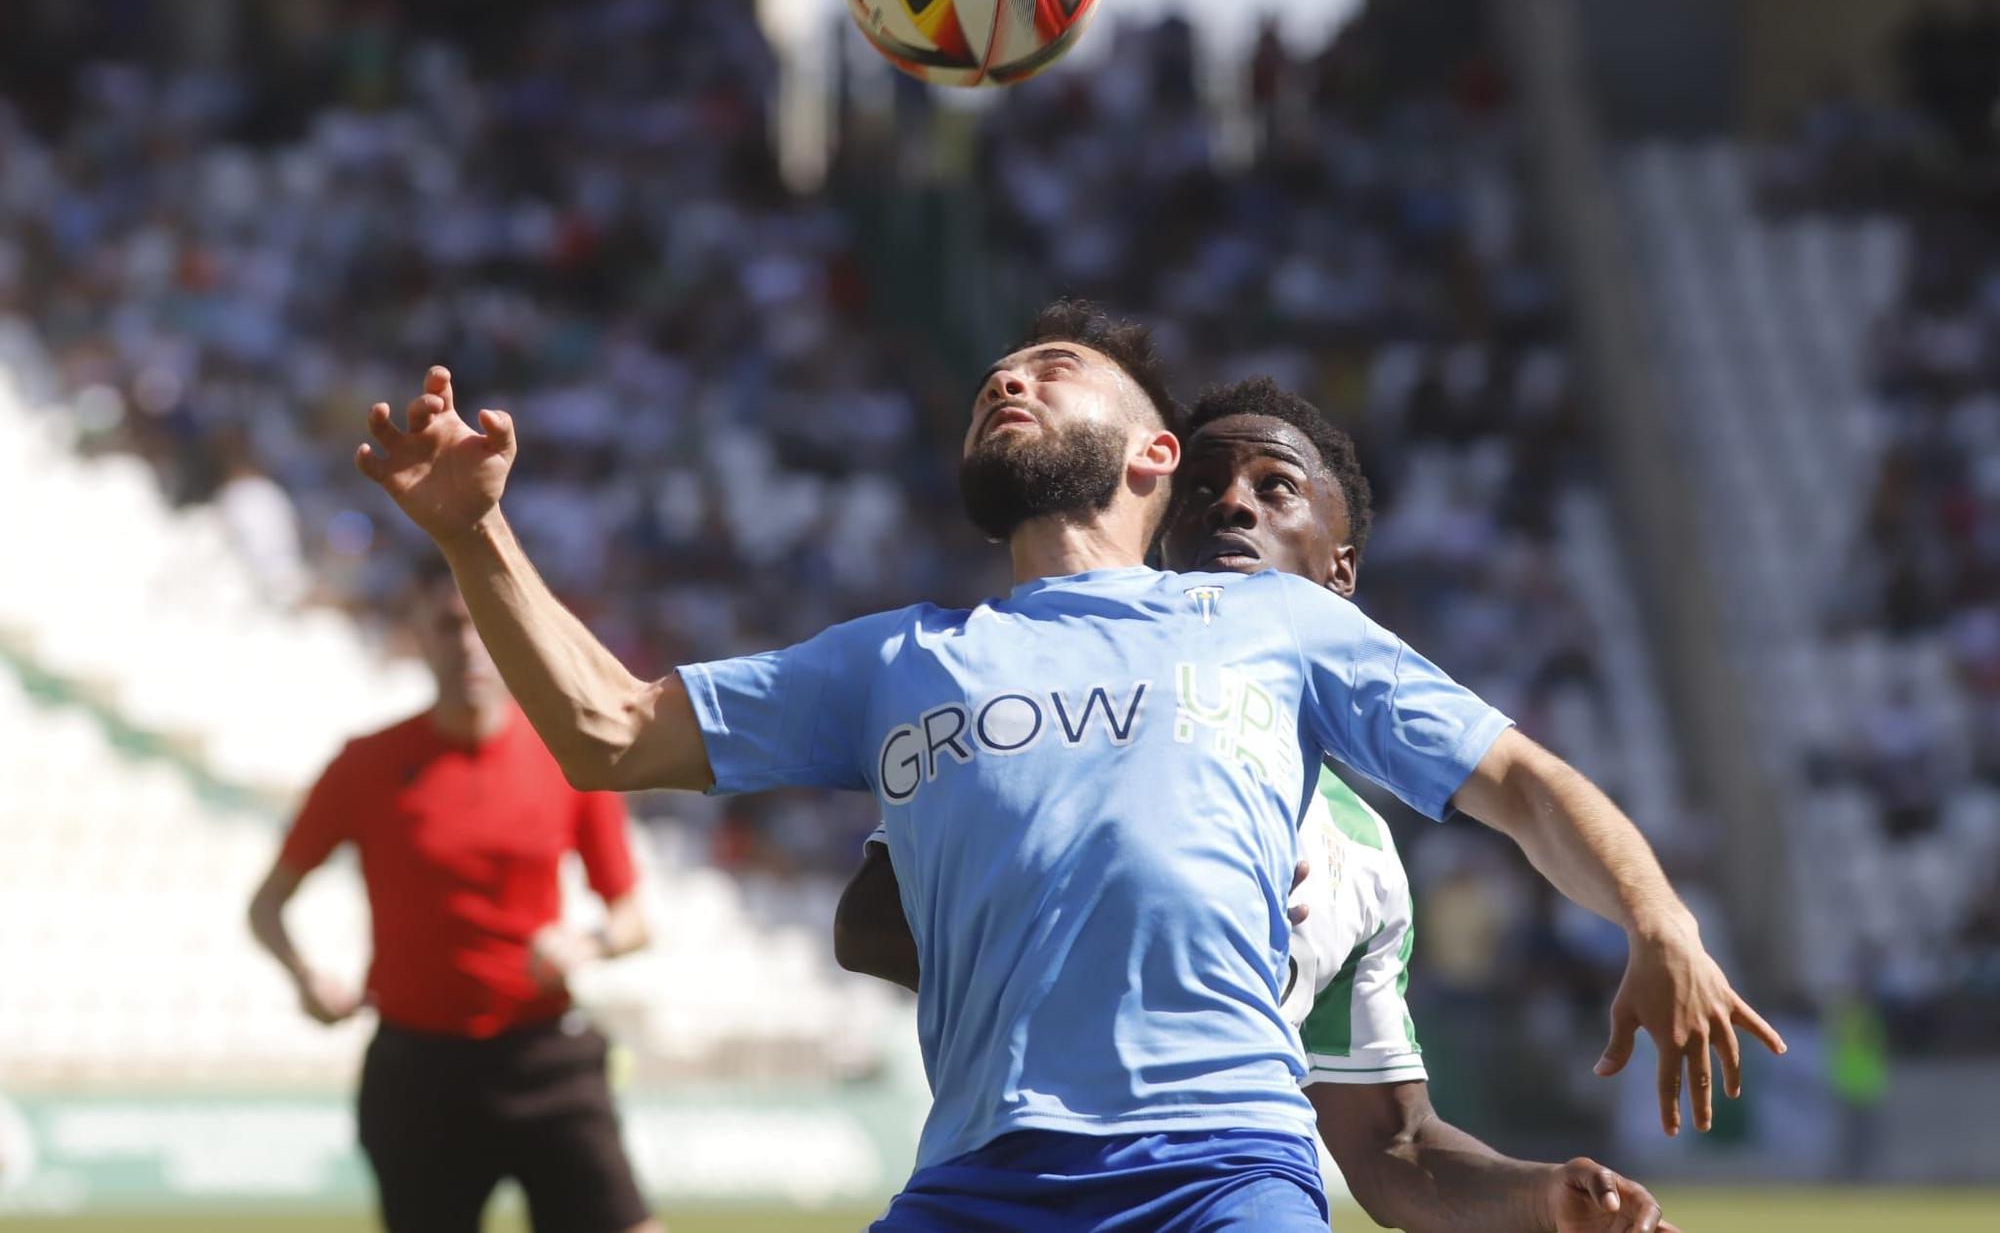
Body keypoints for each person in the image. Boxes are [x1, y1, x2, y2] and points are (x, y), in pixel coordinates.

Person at [353, 300, 1770, 1230]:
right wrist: (475, 535)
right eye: (991, 378)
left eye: (1052, 369)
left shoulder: (1278, 627)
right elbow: (609, 732)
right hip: (972, 1184)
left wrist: (1660, 919)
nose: (1009, 380)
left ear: (1154, 451)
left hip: (1220, 1171)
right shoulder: (897, 657)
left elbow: (1517, 777)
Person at [835, 376, 1681, 1232]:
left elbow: (1394, 1148)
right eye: (1199, 489)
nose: (1231, 507)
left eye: (1275, 488)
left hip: (1217, 1191)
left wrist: (1540, 1199)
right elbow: (865, 921)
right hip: (1013, 1186)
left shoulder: (1363, 853)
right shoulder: (1058, 705)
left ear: (1338, 568)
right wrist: (1127, 919)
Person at [247, 569, 660, 1233]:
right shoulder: (366, 764)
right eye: (447, 625)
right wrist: (305, 978)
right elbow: (267, 904)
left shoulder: (567, 758)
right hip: (416, 1069)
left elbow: (633, 917)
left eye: (480, 626)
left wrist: (587, 943)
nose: (467, 644)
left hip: (544, 1051)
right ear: (420, 637)